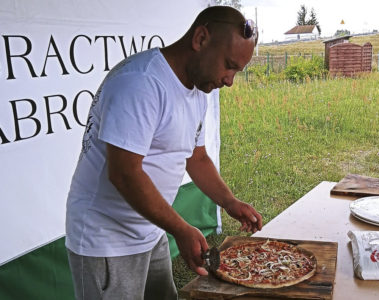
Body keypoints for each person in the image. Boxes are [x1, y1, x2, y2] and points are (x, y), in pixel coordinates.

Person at [65, 6, 262, 300]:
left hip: (149, 228)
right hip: (106, 239)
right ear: (200, 38)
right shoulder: (140, 82)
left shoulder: (198, 90)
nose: (229, 80)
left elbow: (196, 158)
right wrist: (180, 228)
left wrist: (229, 202)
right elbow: (124, 173)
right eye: (228, 65)